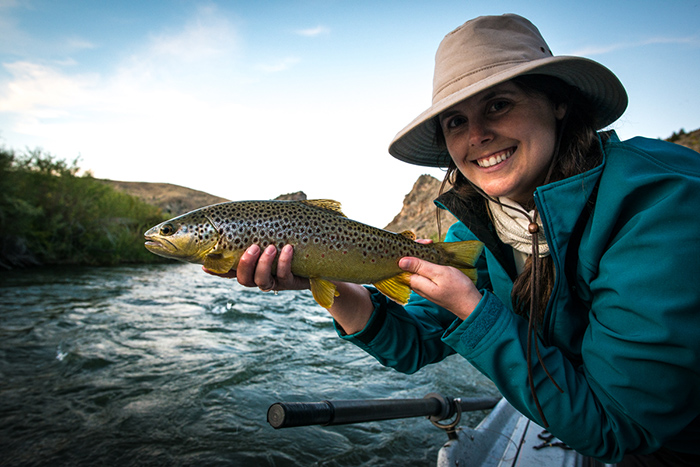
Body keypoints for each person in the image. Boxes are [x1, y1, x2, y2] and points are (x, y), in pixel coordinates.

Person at [208, 14, 700, 465]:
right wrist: (332, 288)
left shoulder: (660, 205)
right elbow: (414, 345)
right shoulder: (482, 225)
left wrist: (474, 311)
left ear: (558, 103)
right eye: (456, 121)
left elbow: (621, 429)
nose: (477, 135)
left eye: (499, 104)